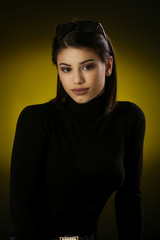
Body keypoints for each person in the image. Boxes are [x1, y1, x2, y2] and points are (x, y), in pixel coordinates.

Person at [9, 20, 146, 240]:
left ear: (108, 66)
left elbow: (130, 198)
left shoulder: (130, 118)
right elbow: (20, 205)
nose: (77, 79)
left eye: (87, 66)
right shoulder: (36, 119)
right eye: (66, 69)